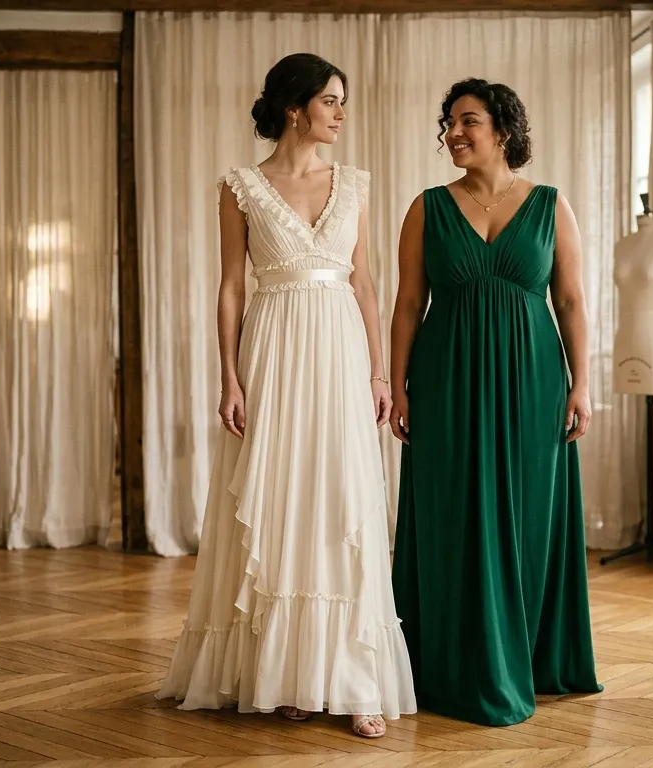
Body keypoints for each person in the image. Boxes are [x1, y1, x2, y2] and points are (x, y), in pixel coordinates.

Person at [157, 53, 416, 739]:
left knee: (341, 500)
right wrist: (228, 376)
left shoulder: (354, 184)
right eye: (331, 100)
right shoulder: (241, 186)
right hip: (272, 351)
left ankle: (355, 679)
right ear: (295, 107)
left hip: (340, 353)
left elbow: (365, 284)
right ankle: (290, 675)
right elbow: (232, 288)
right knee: (280, 501)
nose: (340, 113)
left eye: (343, 102)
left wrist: (381, 373)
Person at [388, 78, 603, 727]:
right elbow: (406, 306)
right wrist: (397, 385)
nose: (453, 133)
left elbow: (570, 302)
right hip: (446, 382)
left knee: (528, 521)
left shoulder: (550, 205)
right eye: (448, 124)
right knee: (450, 518)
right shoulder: (427, 207)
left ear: (503, 129)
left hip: (533, 384)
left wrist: (582, 384)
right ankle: (445, 665)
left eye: (467, 121)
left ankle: (528, 659)